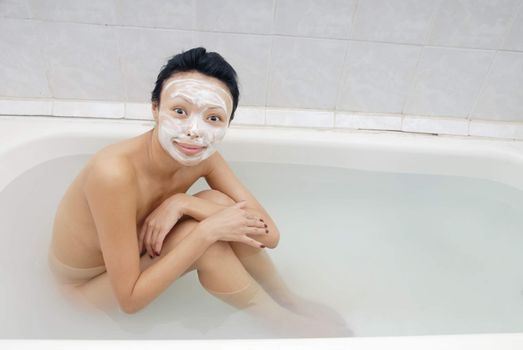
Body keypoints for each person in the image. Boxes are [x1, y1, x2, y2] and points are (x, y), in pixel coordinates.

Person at [47, 47, 350, 337]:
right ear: (155, 109)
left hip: (136, 257)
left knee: (216, 203)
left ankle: (288, 300)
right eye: (180, 111)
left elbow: (269, 236)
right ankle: (279, 322)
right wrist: (206, 232)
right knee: (210, 232)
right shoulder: (113, 174)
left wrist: (183, 203)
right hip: (85, 293)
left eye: (213, 118)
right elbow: (129, 301)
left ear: (228, 123)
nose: (194, 130)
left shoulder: (203, 157)